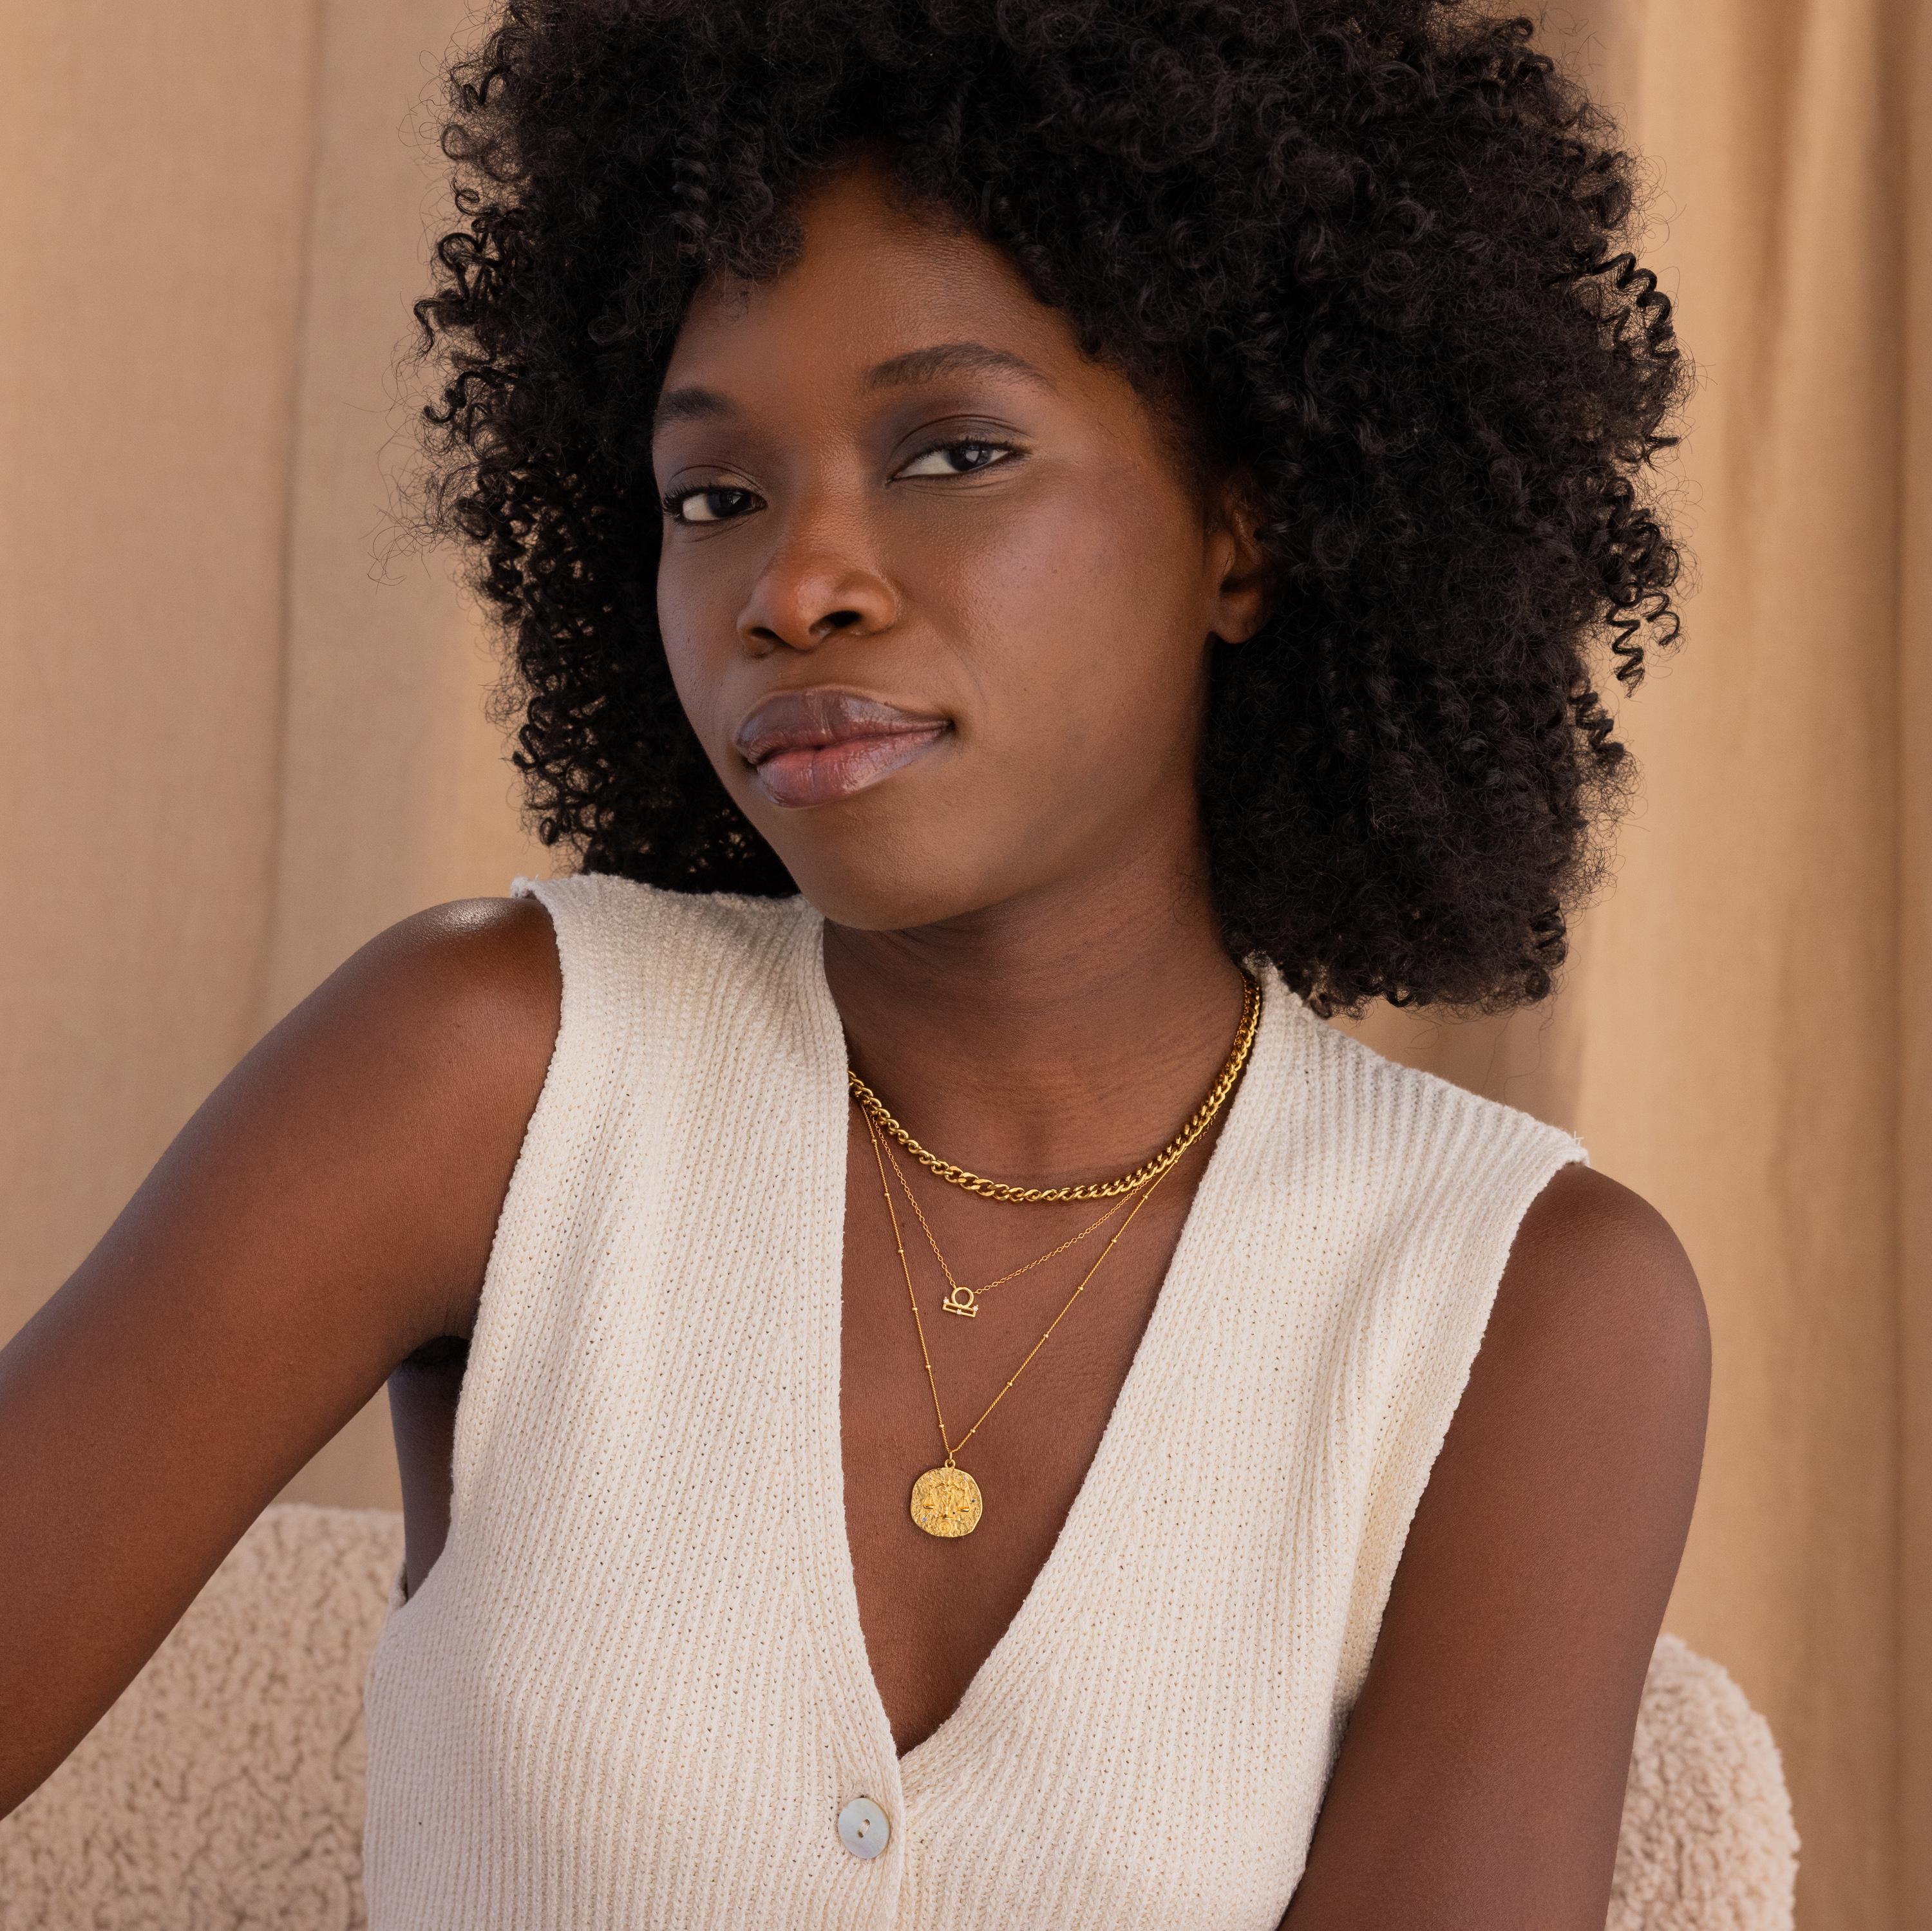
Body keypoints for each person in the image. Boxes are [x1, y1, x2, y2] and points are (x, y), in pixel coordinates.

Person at [0, 2, 1710, 1925]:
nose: (794, 583)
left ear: (1248, 526)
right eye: (711, 496)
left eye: (952, 452)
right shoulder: (492, 1071)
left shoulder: (1525, 1307)